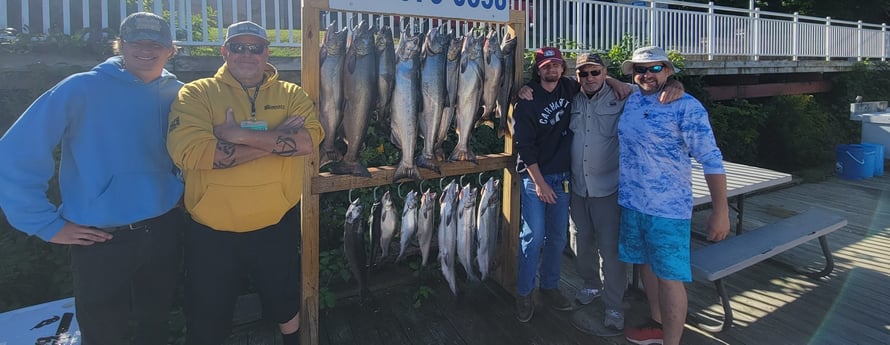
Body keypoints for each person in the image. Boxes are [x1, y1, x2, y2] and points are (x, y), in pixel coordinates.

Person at [0, 12, 184, 345]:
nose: (146, 50)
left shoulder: (182, 94)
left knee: (155, 328)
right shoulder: (80, 88)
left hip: (163, 230)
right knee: (103, 335)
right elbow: (14, 153)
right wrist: (44, 224)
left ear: (171, 49)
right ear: (120, 45)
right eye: (136, 42)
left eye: (156, 43)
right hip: (100, 239)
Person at [166, 21, 323, 345]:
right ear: (225, 51)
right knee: (208, 308)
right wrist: (273, 142)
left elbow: (309, 142)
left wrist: (236, 136)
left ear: (267, 53)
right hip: (211, 230)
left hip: (275, 222)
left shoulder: (291, 93)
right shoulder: (196, 93)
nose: (246, 54)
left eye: (255, 48)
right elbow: (192, 153)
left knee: (284, 297)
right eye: (238, 47)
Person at [517, 52, 683, 334]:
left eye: (596, 72)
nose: (590, 78)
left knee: (609, 249)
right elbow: (526, 134)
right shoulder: (570, 94)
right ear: (577, 76)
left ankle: (614, 304)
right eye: (585, 74)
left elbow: (651, 89)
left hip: (607, 188)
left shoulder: (623, 95)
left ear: (606, 72)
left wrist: (675, 85)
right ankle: (585, 286)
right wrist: (520, 89)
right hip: (573, 187)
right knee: (574, 242)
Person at [616, 46, 729, 345]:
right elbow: (604, 82)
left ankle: (673, 341)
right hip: (632, 203)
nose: (646, 75)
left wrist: (721, 211)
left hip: (668, 210)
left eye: (654, 68)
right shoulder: (632, 99)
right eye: (640, 69)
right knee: (646, 265)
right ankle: (656, 323)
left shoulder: (687, 107)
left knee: (670, 276)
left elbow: (711, 158)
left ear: (668, 71)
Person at [511, 47, 577, 322]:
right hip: (534, 177)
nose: (552, 70)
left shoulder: (571, 88)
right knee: (533, 235)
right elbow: (524, 148)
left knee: (558, 237)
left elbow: (597, 79)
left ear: (563, 68)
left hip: (562, 177)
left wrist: (617, 81)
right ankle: (524, 292)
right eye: (546, 66)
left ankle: (549, 286)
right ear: (537, 70)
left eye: (556, 65)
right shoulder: (526, 99)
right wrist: (539, 184)